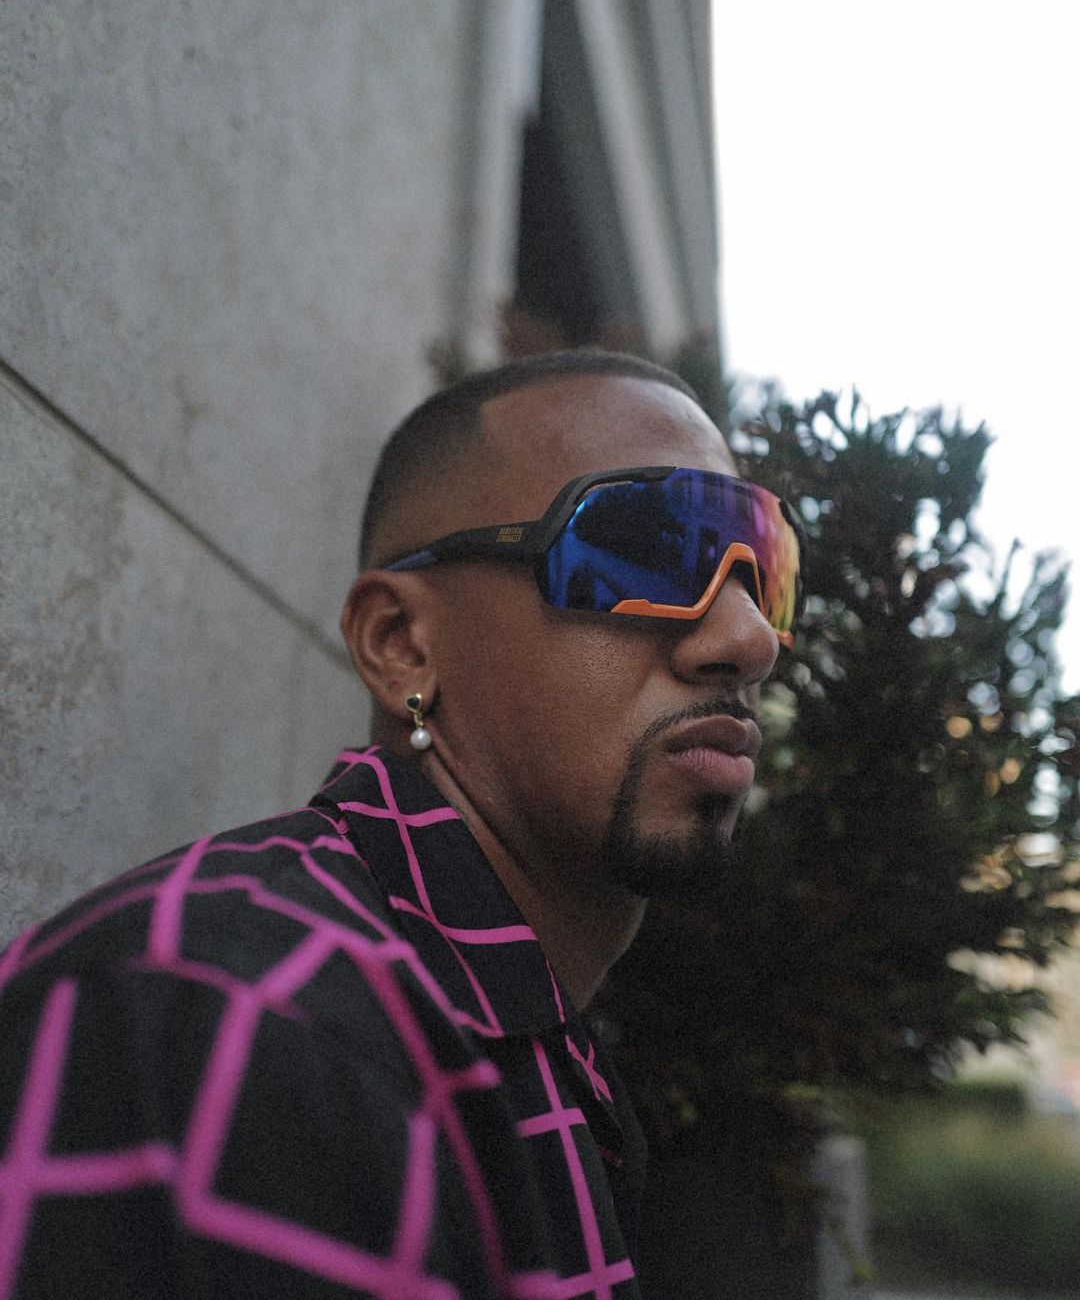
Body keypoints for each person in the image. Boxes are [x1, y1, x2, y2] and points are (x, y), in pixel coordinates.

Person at [0, 350, 802, 1298]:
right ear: (401, 644)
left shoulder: (510, 1041)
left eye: (766, 575)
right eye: (640, 548)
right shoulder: (237, 1019)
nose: (750, 639)